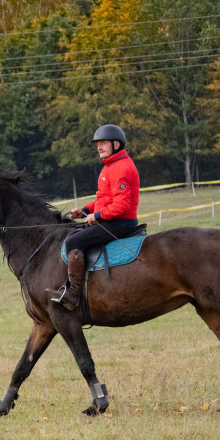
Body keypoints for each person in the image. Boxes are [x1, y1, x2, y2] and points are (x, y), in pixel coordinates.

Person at [49, 123, 140, 311]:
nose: (99, 147)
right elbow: (104, 199)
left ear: (116, 144)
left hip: (119, 223)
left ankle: (73, 294)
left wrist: (96, 215)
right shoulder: (109, 166)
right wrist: (84, 211)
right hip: (109, 219)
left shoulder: (121, 167)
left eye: (103, 143)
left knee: (73, 242)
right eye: (97, 143)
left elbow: (121, 206)